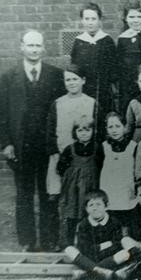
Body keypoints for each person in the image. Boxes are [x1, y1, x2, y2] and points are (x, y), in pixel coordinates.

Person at [0, 30, 65, 251]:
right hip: (21, 146)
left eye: (38, 46)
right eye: (30, 46)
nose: (34, 50)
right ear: (21, 47)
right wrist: (6, 143)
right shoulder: (8, 77)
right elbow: (2, 114)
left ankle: (49, 241)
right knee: (24, 194)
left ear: (44, 48)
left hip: (46, 146)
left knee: (48, 193)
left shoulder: (55, 75)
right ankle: (27, 241)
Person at [46, 64, 98, 247]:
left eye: (75, 79)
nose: (71, 83)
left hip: (84, 159)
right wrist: (57, 156)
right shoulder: (58, 103)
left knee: (84, 197)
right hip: (62, 157)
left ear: (83, 80)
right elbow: (51, 132)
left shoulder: (91, 102)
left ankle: (86, 240)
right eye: (68, 79)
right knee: (60, 198)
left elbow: (96, 132)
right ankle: (58, 241)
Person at [64, 190, 141, 280]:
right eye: (91, 205)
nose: (95, 208)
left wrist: (97, 247)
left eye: (98, 204)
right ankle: (102, 271)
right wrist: (105, 244)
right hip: (89, 257)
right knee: (69, 249)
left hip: (109, 258)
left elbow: (117, 244)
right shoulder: (83, 224)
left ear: (106, 206)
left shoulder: (114, 222)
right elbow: (83, 247)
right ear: (86, 209)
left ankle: (86, 273)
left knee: (125, 254)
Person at [57, 115, 105, 246]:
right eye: (80, 130)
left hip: (91, 186)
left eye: (87, 130)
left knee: (90, 213)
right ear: (75, 132)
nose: (84, 133)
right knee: (72, 214)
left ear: (93, 131)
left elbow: (101, 165)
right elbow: (60, 167)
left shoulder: (97, 148)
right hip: (74, 188)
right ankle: (69, 244)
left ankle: (88, 243)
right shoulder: (70, 149)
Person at [70, 2, 118, 112]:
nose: (90, 23)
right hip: (84, 90)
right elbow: (74, 68)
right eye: (87, 19)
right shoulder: (78, 42)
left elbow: (114, 68)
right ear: (82, 20)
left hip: (103, 90)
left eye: (93, 19)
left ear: (99, 20)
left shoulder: (107, 41)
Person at [100, 112, 137, 228]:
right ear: (106, 129)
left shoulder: (133, 146)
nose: (114, 130)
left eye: (117, 126)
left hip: (126, 192)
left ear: (125, 127)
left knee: (126, 221)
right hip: (109, 191)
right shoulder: (104, 146)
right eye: (110, 127)